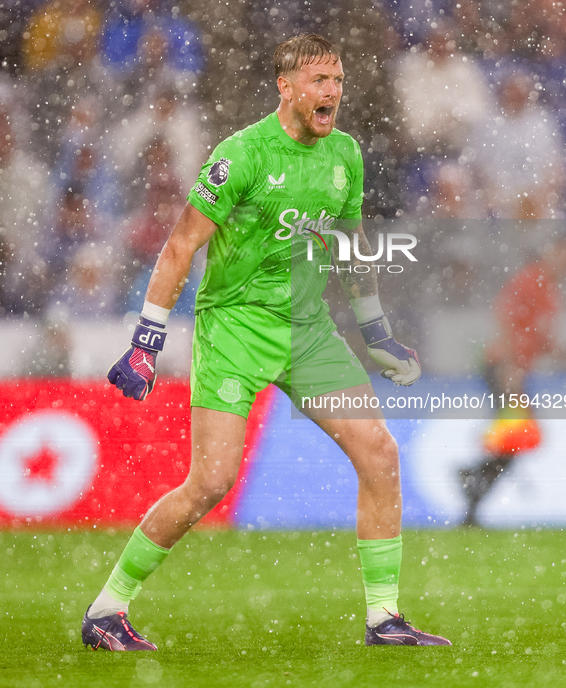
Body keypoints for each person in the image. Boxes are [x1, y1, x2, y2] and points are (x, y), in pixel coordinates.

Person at [81, 33, 451, 651]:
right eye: (318, 81)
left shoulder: (346, 155)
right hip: (235, 329)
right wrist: (147, 340)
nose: (331, 92)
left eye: (337, 80)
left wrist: (377, 332)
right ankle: (106, 612)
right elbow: (180, 247)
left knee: (380, 454)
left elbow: (354, 248)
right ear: (286, 87)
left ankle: (384, 619)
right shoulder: (243, 155)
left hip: (308, 332)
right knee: (210, 483)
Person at [459, 238, 566, 526]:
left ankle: (472, 481)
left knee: (515, 438)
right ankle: (472, 483)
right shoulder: (531, 281)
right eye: (564, 256)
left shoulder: (551, 293)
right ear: (551, 253)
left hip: (513, 369)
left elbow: (542, 342)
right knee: (518, 436)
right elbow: (507, 318)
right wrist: (511, 363)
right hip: (503, 366)